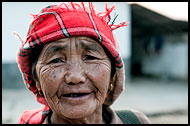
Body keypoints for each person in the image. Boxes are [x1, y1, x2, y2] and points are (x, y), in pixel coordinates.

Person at [15, 2, 150, 124]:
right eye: (56, 60)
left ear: (113, 75)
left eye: (91, 58)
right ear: (36, 80)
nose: (75, 77)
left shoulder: (136, 121)